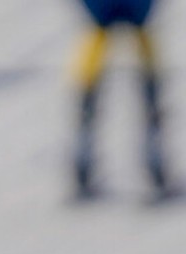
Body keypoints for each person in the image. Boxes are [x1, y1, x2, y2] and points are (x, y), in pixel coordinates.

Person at [68, 0, 170, 200]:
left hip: (102, 17)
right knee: (147, 77)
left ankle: (83, 164)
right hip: (134, 14)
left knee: (91, 74)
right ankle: (155, 164)